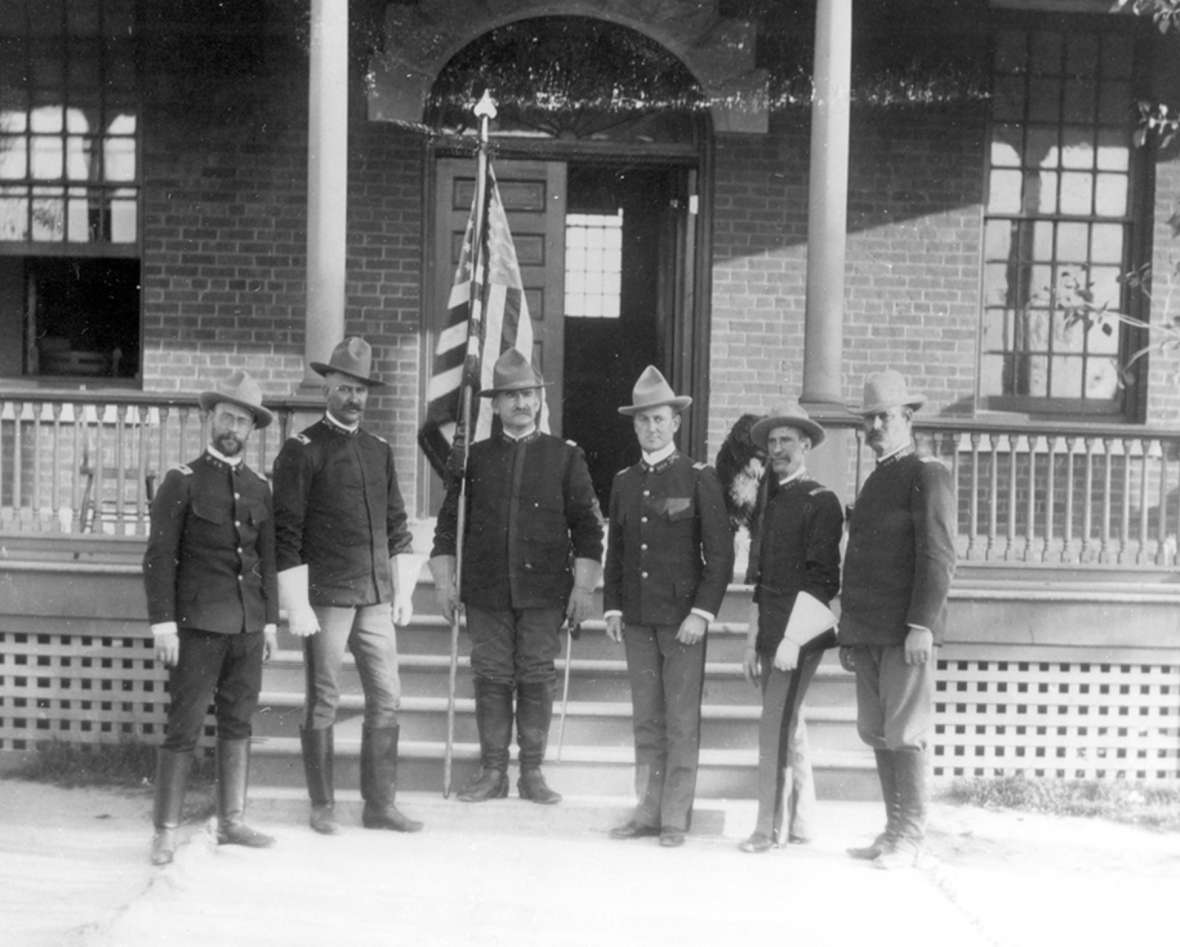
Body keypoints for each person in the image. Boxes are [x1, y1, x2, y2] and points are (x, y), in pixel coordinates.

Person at [429, 348, 604, 805]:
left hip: (545, 592)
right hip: (486, 590)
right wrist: (445, 583)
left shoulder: (565, 456)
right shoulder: (473, 459)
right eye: (511, 396)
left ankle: (531, 773)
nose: (521, 404)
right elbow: (449, 525)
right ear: (495, 404)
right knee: (490, 674)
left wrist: (583, 588)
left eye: (528, 394)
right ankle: (492, 772)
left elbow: (588, 527)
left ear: (539, 400)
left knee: (535, 675)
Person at [273, 337, 423, 835]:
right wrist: (298, 603)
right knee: (324, 699)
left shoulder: (378, 450)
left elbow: (397, 524)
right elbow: (286, 533)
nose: (353, 398)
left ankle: (379, 805)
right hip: (326, 598)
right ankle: (322, 805)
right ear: (327, 387)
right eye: (343, 388)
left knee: (388, 695)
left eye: (360, 390)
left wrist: (402, 591)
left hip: (375, 597)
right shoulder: (302, 450)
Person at [143, 370, 279, 866]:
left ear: (251, 429)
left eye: (242, 421)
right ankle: (165, 831)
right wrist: (163, 624)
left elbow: (268, 558)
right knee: (184, 726)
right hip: (197, 627)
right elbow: (159, 558)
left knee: (239, 722)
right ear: (210, 419)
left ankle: (233, 821)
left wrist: (268, 624)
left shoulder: (261, 487)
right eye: (225, 416)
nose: (232, 428)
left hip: (246, 628)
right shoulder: (182, 481)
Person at [603, 366, 734, 848]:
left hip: (682, 624)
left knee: (680, 721)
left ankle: (675, 816)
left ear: (675, 423)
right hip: (637, 619)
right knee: (646, 720)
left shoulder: (698, 478)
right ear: (634, 426)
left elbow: (720, 556)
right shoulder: (623, 482)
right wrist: (613, 607)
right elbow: (615, 550)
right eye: (643, 422)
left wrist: (702, 613)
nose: (651, 429)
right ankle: (647, 810)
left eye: (659, 420)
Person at [841, 369, 955, 870]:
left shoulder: (926, 474)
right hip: (869, 630)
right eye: (869, 419)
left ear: (908, 418)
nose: (876, 427)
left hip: (904, 630)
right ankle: (891, 830)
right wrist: (851, 630)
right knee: (878, 730)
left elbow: (938, 556)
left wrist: (922, 625)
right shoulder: (875, 480)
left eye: (885, 417)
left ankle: (910, 835)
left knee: (905, 731)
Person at [737, 401, 842, 853]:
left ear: (805, 445)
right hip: (771, 630)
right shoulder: (770, 500)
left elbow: (823, 583)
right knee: (789, 724)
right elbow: (760, 583)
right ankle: (803, 823)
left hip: (799, 633)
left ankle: (768, 829)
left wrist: (793, 641)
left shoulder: (822, 501)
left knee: (774, 726)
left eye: (786, 441)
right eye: (772, 442)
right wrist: (750, 639)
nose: (777, 449)